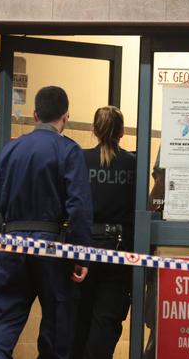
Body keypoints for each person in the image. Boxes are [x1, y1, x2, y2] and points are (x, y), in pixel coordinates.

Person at [0, 86, 93, 359]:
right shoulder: (68, 151)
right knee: (57, 323)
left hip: (11, 244)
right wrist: (81, 254)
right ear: (65, 117)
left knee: (5, 316)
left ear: (35, 114)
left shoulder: (12, 148)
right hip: (50, 247)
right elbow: (79, 206)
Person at [72, 106, 136, 359]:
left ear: (94, 130)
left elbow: (73, 204)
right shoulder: (133, 163)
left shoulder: (80, 159)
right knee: (106, 322)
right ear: (121, 131)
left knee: (81, 318)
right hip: (118, 253)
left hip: (85, 248)